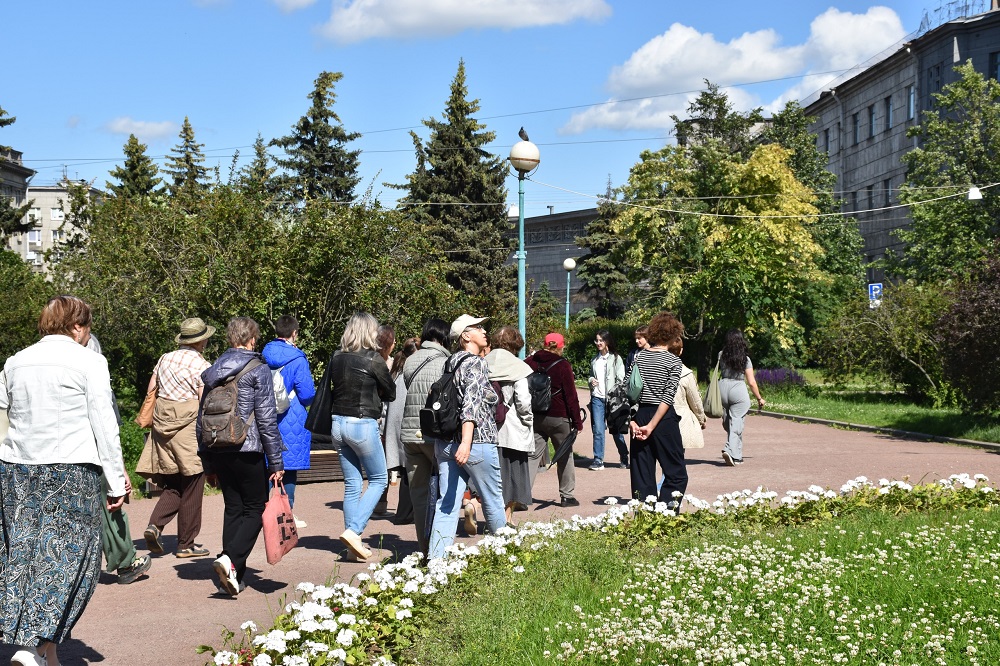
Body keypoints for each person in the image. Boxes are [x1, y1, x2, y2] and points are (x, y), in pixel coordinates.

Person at [0, 295, 129, 666]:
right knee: (73, 560)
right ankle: (31, 646)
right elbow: (105, 426)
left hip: (17, 469)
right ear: (77, 326)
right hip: (71, 468)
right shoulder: (90, 361)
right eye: (87, 326)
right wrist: (116, 481)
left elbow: (3, 416)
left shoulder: (15, 361)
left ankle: (46, 653)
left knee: (24, 554)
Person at [198, 317, 284, 597]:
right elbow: (267, 418)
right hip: (247, 446)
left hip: (218, 446)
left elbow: (201, 418)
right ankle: (231, 559)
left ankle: (234, 576)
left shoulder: (213, 371)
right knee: (256, 508)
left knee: (233, 508)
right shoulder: (258, 369)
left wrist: (207, 460)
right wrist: (276, 462)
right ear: (252, 340)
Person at [427, 315, 506, 559]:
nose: (484, 331)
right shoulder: (475, 363)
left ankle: (436, 561)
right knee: (493, 500)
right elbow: (470, 405)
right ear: (465, 336)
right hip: (476, 441)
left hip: (445, 442)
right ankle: (504, 555)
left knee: (447, 503)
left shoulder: (450, 362)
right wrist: (467, 442)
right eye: (478, 327)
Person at [140, 317, 215, 559]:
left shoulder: (164, 358)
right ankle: (186, 544)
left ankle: (155, 525)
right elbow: (205, 402)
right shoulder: (202, 365)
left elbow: (152, 388)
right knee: (193, 482)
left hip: (163, 427)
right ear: (201, 341)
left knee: (173, 483)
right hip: (188, 429)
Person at [325, 312, 395, 562]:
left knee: (353, 484)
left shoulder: (336, 357)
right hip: (362, 423)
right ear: (370, 332)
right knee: (379, 479)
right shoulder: (374, 359)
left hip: (337, 423)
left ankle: (351, 547)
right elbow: (391, 393)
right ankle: (354, 532)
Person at [86, 334, 152, 586]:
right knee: (112, 506)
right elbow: (107, 432)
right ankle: (126, 563)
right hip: (94, 456)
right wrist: (120, 471)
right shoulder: (98, 380)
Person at [400, 318, 452, 555]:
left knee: (419, 494)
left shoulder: (410, 360)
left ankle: (423, 547)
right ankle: (438, 548)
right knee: (443, 491)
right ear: (444, 336)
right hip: (434, 434)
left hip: (410, 434)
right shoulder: (445, 362)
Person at [262, 315, 316, 528]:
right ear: (294, 333)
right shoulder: (297, 358)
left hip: (266, 415)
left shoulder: (262, 354)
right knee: (290, 468)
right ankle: (286, 515)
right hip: (291, 417)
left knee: (268, 465)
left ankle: (263, 511)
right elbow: (307, 394)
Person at [628, 312, 686, 507]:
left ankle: (645, 517)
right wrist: (652, 426)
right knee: (676, 473)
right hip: (662, 419)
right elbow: (667, 397)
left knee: (641, 474)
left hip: (639, 415)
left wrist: (632, 421)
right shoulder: (674, 361)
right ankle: (667, 514)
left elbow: (627, 390)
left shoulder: (638, 358)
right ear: (673, 335)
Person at [525, 332, 584, 508]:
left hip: (536, 416)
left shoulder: (529, 362)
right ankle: (567, 496)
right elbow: (571, 397)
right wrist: (577, 422)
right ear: (560, 346)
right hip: (560, 417)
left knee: (532, 456)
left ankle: (522, 496)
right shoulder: (563, 365)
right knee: (565, 455)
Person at [485, 326, 534, 524]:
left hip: (486, 429)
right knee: (512, 476)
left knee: (490, 476)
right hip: (511, 429)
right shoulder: (518, 367)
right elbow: (523, 401)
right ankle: (507, 518)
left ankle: (474, 505)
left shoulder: (483, 362)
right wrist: (528, 420)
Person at [718, 329, 766, 466]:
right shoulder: (745, 359)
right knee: (737, 422)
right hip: (738, 389)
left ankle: (737, 456)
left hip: (722, 388)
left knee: (728, 422)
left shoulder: (721, 355)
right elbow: (751, 382)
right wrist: (759, 398)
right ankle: (729, 449)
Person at [384, 337, 418, 525]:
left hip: (394, 428)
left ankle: (404, 512)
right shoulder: (409, 373)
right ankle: (405, 513)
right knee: (411, 470)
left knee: (406, 470)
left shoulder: (396, 371)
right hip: (408, 427)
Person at [587, 329, 628, 470]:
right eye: (596, 340)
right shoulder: (594, 359)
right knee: (598, 430)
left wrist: (614, 390)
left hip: (612, 400)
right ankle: (598, 460)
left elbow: (621, 378)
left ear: (607, 342)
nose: (598, 343)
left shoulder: (616, 358)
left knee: (616, 431)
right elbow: (590, 375)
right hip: (597, 399)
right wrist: (591, 380)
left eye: (601, 340)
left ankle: (624, 455)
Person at [666, 336, 707, 451]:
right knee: (677, 458)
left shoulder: (657, 370)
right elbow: (695, 400)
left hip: (659, 419)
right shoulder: (686, 374)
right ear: (681, 350)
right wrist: (701, 419)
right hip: (680, 420)